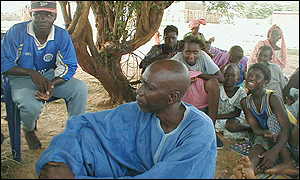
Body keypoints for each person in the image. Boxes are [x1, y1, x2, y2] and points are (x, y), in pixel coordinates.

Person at [35, 60, 217, 179]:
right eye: (141, 83)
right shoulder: (137, 111)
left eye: (149, 87)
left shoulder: (199, 130)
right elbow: (84, 127)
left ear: (172, 97)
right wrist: (59, 161)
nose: (139, 91)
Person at [1, 1, 88, 150]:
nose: (42, 18)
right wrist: (30, 72)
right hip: (21, 77)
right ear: (31, 15)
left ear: (54, 16)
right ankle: (28, 130)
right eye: (38, 14)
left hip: (49, 76)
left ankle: (73, 134)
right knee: (31, 106)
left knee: (80, 88)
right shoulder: (16, 32)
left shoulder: (61, 35)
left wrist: (52, 84)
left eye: (48, 14)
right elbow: (4, 62)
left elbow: (69, 65)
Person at [240, 63, 295, 176]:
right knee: (253, 156)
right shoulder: (245, 102)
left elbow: (286, 129)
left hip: (287, 137)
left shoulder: (273, 98)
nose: (252, 78)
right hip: (268, 135)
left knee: (272, 122)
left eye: (257, 77)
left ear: (266, 81)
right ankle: (250, 171)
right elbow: (255, 129)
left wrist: (274, 151)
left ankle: (287, 162)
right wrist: (266, 133)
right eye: (250, 75)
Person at [181, 70, 222, 148]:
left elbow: (221, 78)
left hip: (202, 107)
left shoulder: (205, 60)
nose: (191, 57)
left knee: (213, 82)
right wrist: (185, 79)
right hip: (184, 106)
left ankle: (210, 130)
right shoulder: (177, 59)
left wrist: (199, 75)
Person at [215, 63, 250, 140]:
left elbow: (236, 113)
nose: (229, 78)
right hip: (218, 118)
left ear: (238, 78)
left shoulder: (241, 92)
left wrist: (216, 116)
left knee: (231, 126)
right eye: (226, 75)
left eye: (233, 75)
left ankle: (249, 129)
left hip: (233, 118)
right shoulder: (218, 89)